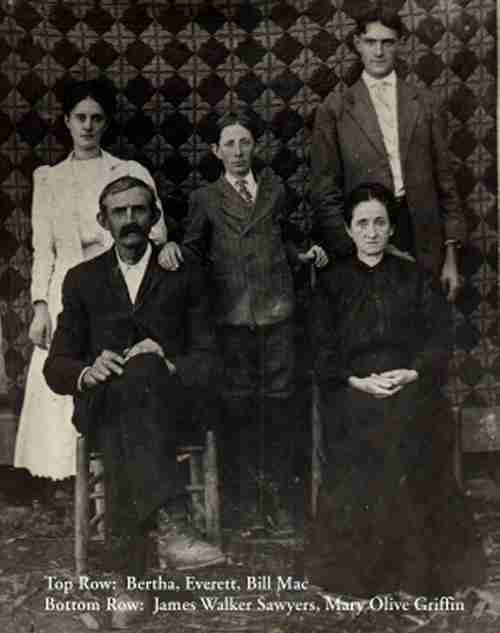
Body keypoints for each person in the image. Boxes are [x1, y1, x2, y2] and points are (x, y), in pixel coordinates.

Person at [44, 175, 225, 626]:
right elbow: (57, 365)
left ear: (154, 216)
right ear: (102, 220)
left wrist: (167, 363)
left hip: (171, 407)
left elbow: (210, 358)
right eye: (119, 212)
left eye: (138, 210)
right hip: (105, 403)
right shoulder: (82, 280)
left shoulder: (184, 274)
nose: (129, 219)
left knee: (143, 371)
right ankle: (172, 523)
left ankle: (129, 581)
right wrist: (88, 371)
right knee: (125, 392)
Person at [305, 182, 485, 596]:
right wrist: (357, 381)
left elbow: (439, 341)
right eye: (362, 223)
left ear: (390, 228)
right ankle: (366, 571)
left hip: (409, 384)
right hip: (353, 389)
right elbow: (320, 349)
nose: (371, 232)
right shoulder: (330, 284)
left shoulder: (415, 277)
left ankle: (417, 570)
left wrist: (411, 374)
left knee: (413, 426)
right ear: (348, 229)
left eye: (379, 223)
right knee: (365, 429)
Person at [177, 110, 327, 529]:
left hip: (277, 313)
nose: (238, 151)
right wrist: (173, 253)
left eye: (245, 142)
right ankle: (243, 502)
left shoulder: (275, 191)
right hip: (231, 317)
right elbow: (193, 250)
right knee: (239, 405)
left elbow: (282, 239)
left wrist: (304, 254)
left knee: (280, 404)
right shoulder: (205, 198)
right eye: (229, 144)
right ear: (215, 151)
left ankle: (278, 498)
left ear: (255, 146)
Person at [14, 78, 168, 486]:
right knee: (70, 364)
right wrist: (40, 308)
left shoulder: (128, 171)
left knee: (117, 365)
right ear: (67, 121)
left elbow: (156, 231)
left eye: (96, 118)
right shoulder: (49, 178)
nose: (87, 126)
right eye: (80, 117)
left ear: (106, 123)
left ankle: (114, 464)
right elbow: (43, 249)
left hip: (120, 280)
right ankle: (67, 473)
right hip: (68, 284)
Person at [310, 6, 464, 302]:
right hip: (367, 239)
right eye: (371, 42)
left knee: (422, 321)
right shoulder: (335, 109)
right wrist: (357, 246)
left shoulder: (426, 104)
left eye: (387, 42)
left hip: (422, 239)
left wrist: (451, 258)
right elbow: (323, 192)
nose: (378, 51)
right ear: (357, 44)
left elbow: (446, 185)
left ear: (400, 44)